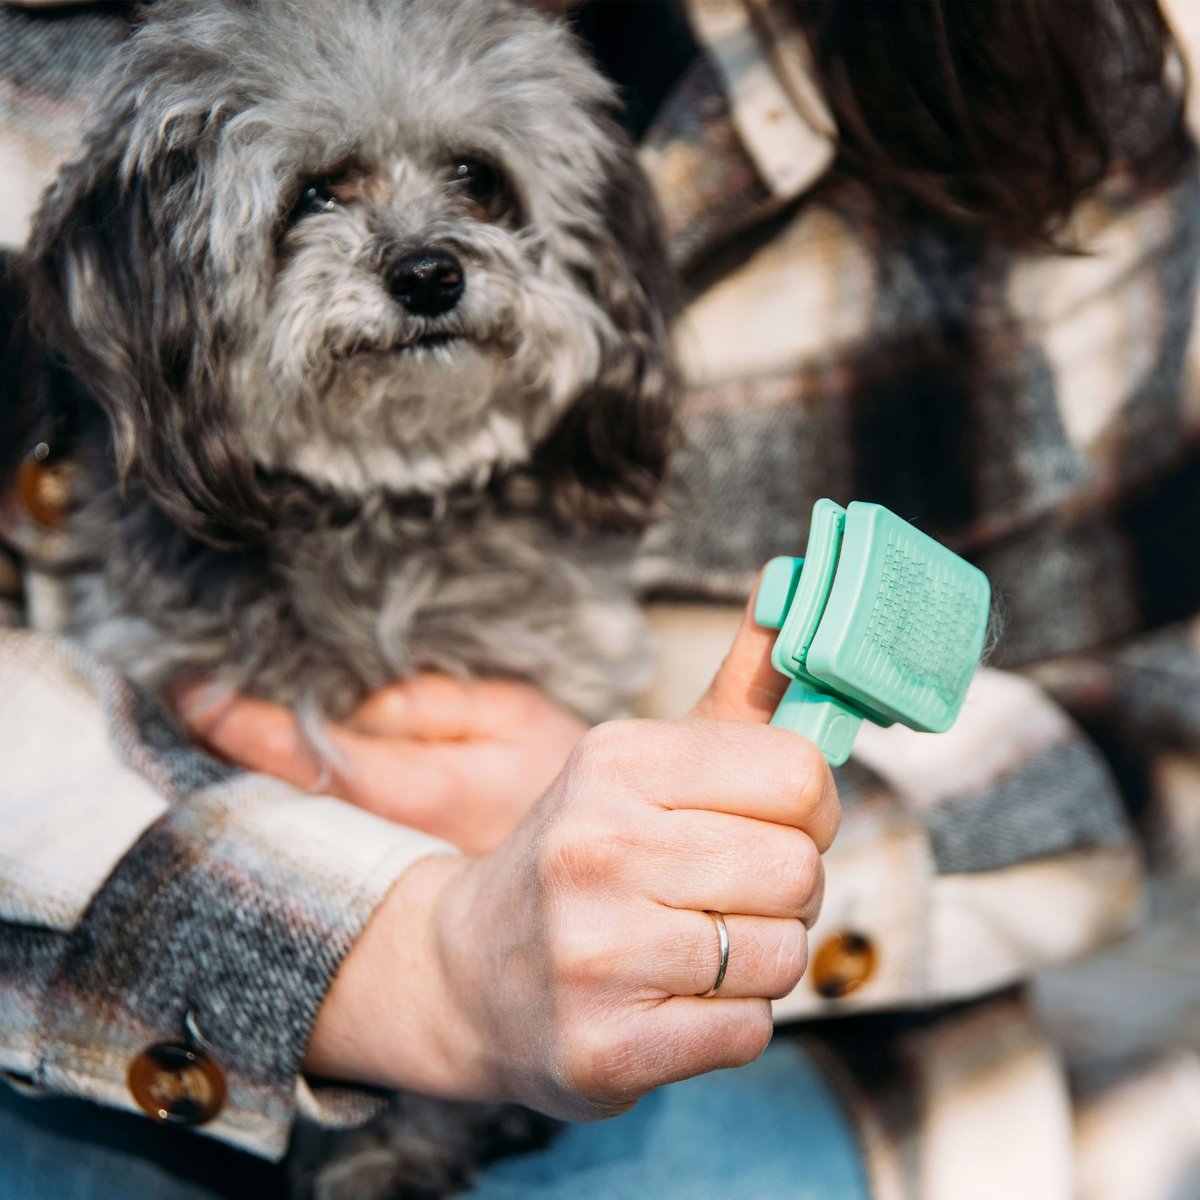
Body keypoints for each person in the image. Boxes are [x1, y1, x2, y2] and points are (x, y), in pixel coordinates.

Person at [2, 3, 1200, 1200]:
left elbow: (1165, 709)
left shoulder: (1023, 59)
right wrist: (405, 952)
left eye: (478, 182)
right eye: (318, 197)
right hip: (93, 1010)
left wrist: (720, 861)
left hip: (794, 1061)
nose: (425, 255)